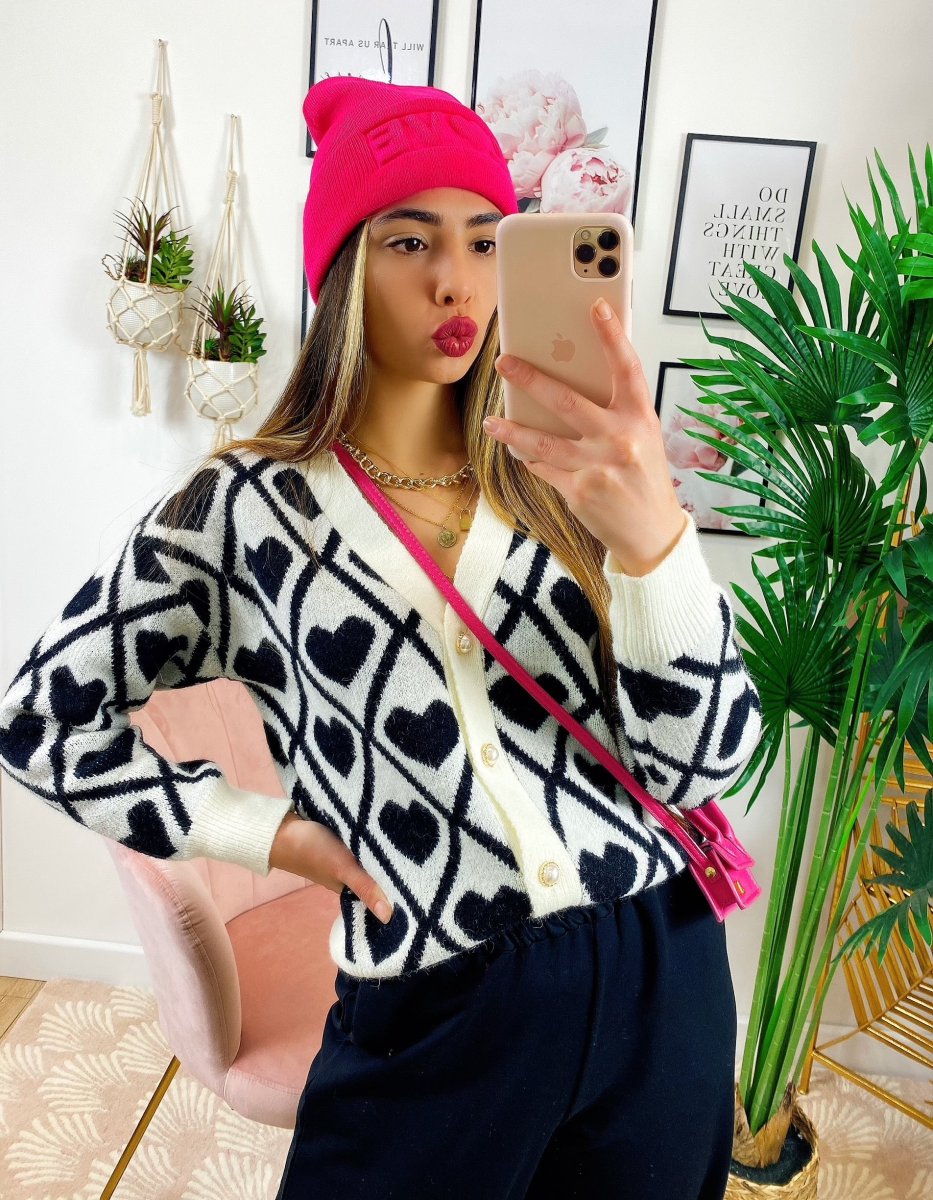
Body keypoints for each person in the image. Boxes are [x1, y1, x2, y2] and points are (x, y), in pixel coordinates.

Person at [0, 77, 763, 1200]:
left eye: (486, 240)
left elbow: (701, 765)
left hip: (663, 969)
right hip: (436, 1004)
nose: (456, 280)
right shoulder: (242, 511)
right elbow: (38, 723)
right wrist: (263, 832)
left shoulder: (575, 480)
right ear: (342, 273)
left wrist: (657, 544)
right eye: (409, 241)